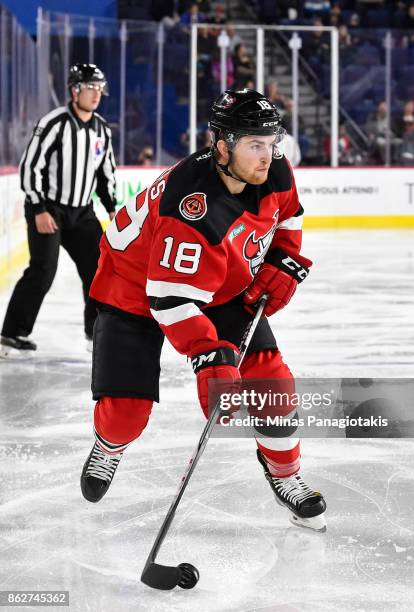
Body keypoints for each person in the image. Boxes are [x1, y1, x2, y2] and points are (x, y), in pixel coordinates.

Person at [80, 89, 327, 531]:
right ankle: (108, 445)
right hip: (134, 287)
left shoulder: (272, 171)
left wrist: (282, 261)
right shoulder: (190, 207)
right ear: (222, 144)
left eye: (273, 142)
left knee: (272, 382)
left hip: (217, 284)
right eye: (255, 144)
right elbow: (169, 297)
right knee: (124, 414)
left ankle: (286, 475)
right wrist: (208, 356)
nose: (268, 155)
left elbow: (290, 216)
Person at [0, 63, 117, 357]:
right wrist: (39, 209)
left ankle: (96, 333)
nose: (96, 94)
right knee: (43, 270)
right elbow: (30, 167)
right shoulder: (54, 123)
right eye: (90, 87)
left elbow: (105, 173)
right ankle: (12, 333)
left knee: (99, 269)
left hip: (82, 212)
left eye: (99, 88)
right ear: (74, 90)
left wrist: (113, 209)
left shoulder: (102, 129)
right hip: (49, 209)